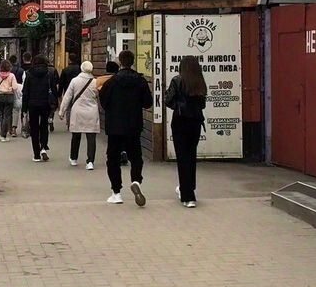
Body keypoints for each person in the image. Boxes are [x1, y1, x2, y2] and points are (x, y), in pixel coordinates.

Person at [98, 49, 152, 206]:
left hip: (115, 126)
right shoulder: (140, 81)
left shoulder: (111, 82)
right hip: (134, 125)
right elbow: (148, 103)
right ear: (133, 62)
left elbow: (104, 102)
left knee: (113, 158)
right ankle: (136, 180)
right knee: (136, 157)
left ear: (120, 62)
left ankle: (116, 192)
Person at [164, 55, 208, 207]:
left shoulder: (177, 80)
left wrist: (178, 105)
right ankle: (189, 188)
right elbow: (202, 104)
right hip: (195, 121)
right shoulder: (199, 81)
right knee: (191, 155)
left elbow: (168, 100)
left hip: (180, 121)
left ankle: (188, 196)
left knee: (182, 158)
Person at [59, 60, 100, 169]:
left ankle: (74, 158)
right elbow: (98, 96)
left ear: (81, 69)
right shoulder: (95, 82)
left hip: (77, 110)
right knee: (91, 137)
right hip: (91, 111)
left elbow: (67, 96)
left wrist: (62, 111)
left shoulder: (74, 81)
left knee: (76, 135)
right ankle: (90, 161)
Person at [21, 53, 57, 161]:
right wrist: (54, 104)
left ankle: (36, 154)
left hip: (32, 104)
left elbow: (25, 92)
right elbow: (54, 90)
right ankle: (43, 148)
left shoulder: (29, 74)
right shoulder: (49, 73)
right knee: (44, 126)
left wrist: (24, 109)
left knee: (34, 128)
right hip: (45, 104)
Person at [0, 60, 19, 142]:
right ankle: (3, 135)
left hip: (0, 95)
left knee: (2, 115)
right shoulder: (11, 75)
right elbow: (15, 87)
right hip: (9, 96)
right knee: (7, 115)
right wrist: (10, 88)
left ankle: (2, 132)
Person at [9, 54, 25, 138]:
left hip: (11, 90)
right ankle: (23, 128)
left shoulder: (8, 71)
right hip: (20, 89)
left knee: (13, 110)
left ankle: (13, 129)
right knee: (23, 110)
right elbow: (24, 80)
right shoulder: (21, 70)